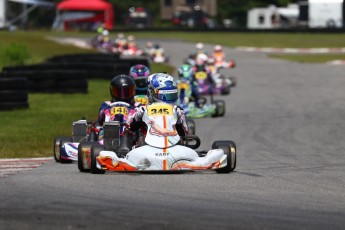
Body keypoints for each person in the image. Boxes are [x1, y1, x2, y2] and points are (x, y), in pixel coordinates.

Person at [127, 73, 189, 142]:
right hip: (145, 145)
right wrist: (136, 119)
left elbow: (184, 133)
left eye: (171, 95)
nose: (168, 101)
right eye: (164, 96)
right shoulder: (142, 109)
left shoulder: (177, 110)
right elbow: (129, 129)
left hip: (172, 144)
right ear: (151, 93)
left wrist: (179, 121)